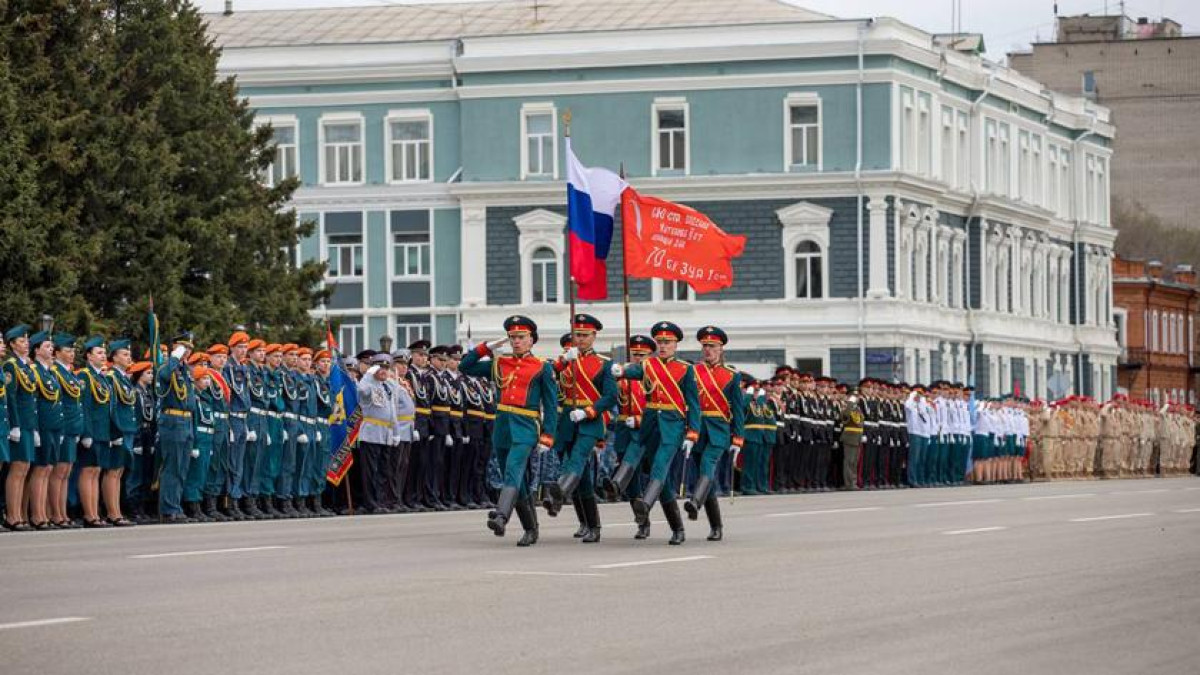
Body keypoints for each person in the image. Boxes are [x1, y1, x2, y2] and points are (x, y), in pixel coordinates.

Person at [459, 316, 558, 546]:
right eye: (512, 337)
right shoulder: (500, 363)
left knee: (513, 469)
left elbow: (551, 404)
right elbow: (465, 367)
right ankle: (531, 528)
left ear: (531, 339)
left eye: (521, 337)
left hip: (526, 426)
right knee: (515, 479)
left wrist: (548, 434)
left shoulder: (542, 367)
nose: (516, 341)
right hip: (503, 426)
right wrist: (486, 347)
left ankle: (501, 516)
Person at [614, 321, 701, 546]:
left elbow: (693, 403)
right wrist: (620, 370)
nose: (662, 346)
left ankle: (646, 504)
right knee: (660, 479)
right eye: (660, 342)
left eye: (667, 342)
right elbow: (635, 371)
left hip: (673, 426)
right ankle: (677, 528)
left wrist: (692, 433)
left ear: (676, 344)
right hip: (650, 424)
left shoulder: (685, 369)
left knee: (660, 466)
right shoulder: (648, 364)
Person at [543, 314, 617, 544]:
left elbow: (610, 397)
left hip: (590, 421)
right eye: (578, 335)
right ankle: (590, 524)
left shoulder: (604, 364)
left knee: (577, 459)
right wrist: (563, 361)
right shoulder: (566, 360)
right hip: (567, 421)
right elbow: (546, 376)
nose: (581, 339)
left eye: (585, 335)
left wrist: (589, 411)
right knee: (582, 478)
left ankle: (558, 493)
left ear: (594, 336)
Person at [681, 326, 743, 542]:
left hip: (718, 429)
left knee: (708, 465)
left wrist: (738, 438)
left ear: (721, 348)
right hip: (697, 428)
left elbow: (738, 409)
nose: (708, 349)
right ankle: (716, 526)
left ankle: (695, 502)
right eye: (705, 346)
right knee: (704, 477)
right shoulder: (693, 371)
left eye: (712, 346)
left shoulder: (732, 375)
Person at [603, 335, 655, 536]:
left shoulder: (654, 375)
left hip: (645, 430)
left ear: (649, 356)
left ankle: (616, 484)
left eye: (642, 355)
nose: (638, 359)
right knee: (633, 482)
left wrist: (641, 420)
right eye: (635, 355)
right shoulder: (622, 375)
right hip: (624, 429)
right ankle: (643, 521)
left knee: (635, 464)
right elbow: (610, 397)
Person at [157, 333, 197, 523]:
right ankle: (168, 509)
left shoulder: (184, 370)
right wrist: (174, 357)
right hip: (173, 420)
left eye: (189, 348)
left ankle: (175, 505)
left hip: (186, 420)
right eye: (183, 347)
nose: (187, 351)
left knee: (182, 468)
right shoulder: (167, 367)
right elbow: (164, 376)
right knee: (172, 466)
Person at [27, 330, 63, 530]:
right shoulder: (34, 371)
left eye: (51, 346)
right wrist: (34, 428)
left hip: (54, 425)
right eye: (47, 346)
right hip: (42, 425)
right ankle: (37, 515)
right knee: (40, 469)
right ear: (37, 350)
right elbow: (33, 402)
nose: (51, 349)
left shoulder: (50, 372)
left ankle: (45, 514)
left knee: (48, 469)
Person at [3, 325, 37, 531]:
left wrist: (34, 427)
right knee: (17, 470)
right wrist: (14, 425)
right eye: (22, 341)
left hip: (29, 424)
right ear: (13, 344)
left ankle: (21, 515)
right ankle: (12, 516)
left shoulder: (26, 367)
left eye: (27, 340)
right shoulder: (11, 366)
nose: (26, 344)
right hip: (20, 424)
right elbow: (11, 397)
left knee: (25, 469)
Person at [356, 352, 397, 514]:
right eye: (380, 368)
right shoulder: (368, 384)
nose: (384, 371)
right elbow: (361, 391)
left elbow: (392, 411)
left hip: (386, 434)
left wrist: (395, 432)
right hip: (371, 434)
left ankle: (380, 501)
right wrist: (368, 375)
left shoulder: (387, 387)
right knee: (370, 471)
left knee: (383, 471)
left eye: (387, 368)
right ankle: (371, 503)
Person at [51, 334, 82, 528]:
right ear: (57, 353)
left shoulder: (69, 374)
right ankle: (55, 514)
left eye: (73, 350)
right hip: (62, 427)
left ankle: (62, 513)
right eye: (67, 350)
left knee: (66, 472)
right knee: (59, 471)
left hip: (71, 427)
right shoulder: (56, 372)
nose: (72, 354)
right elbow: (58, 402)